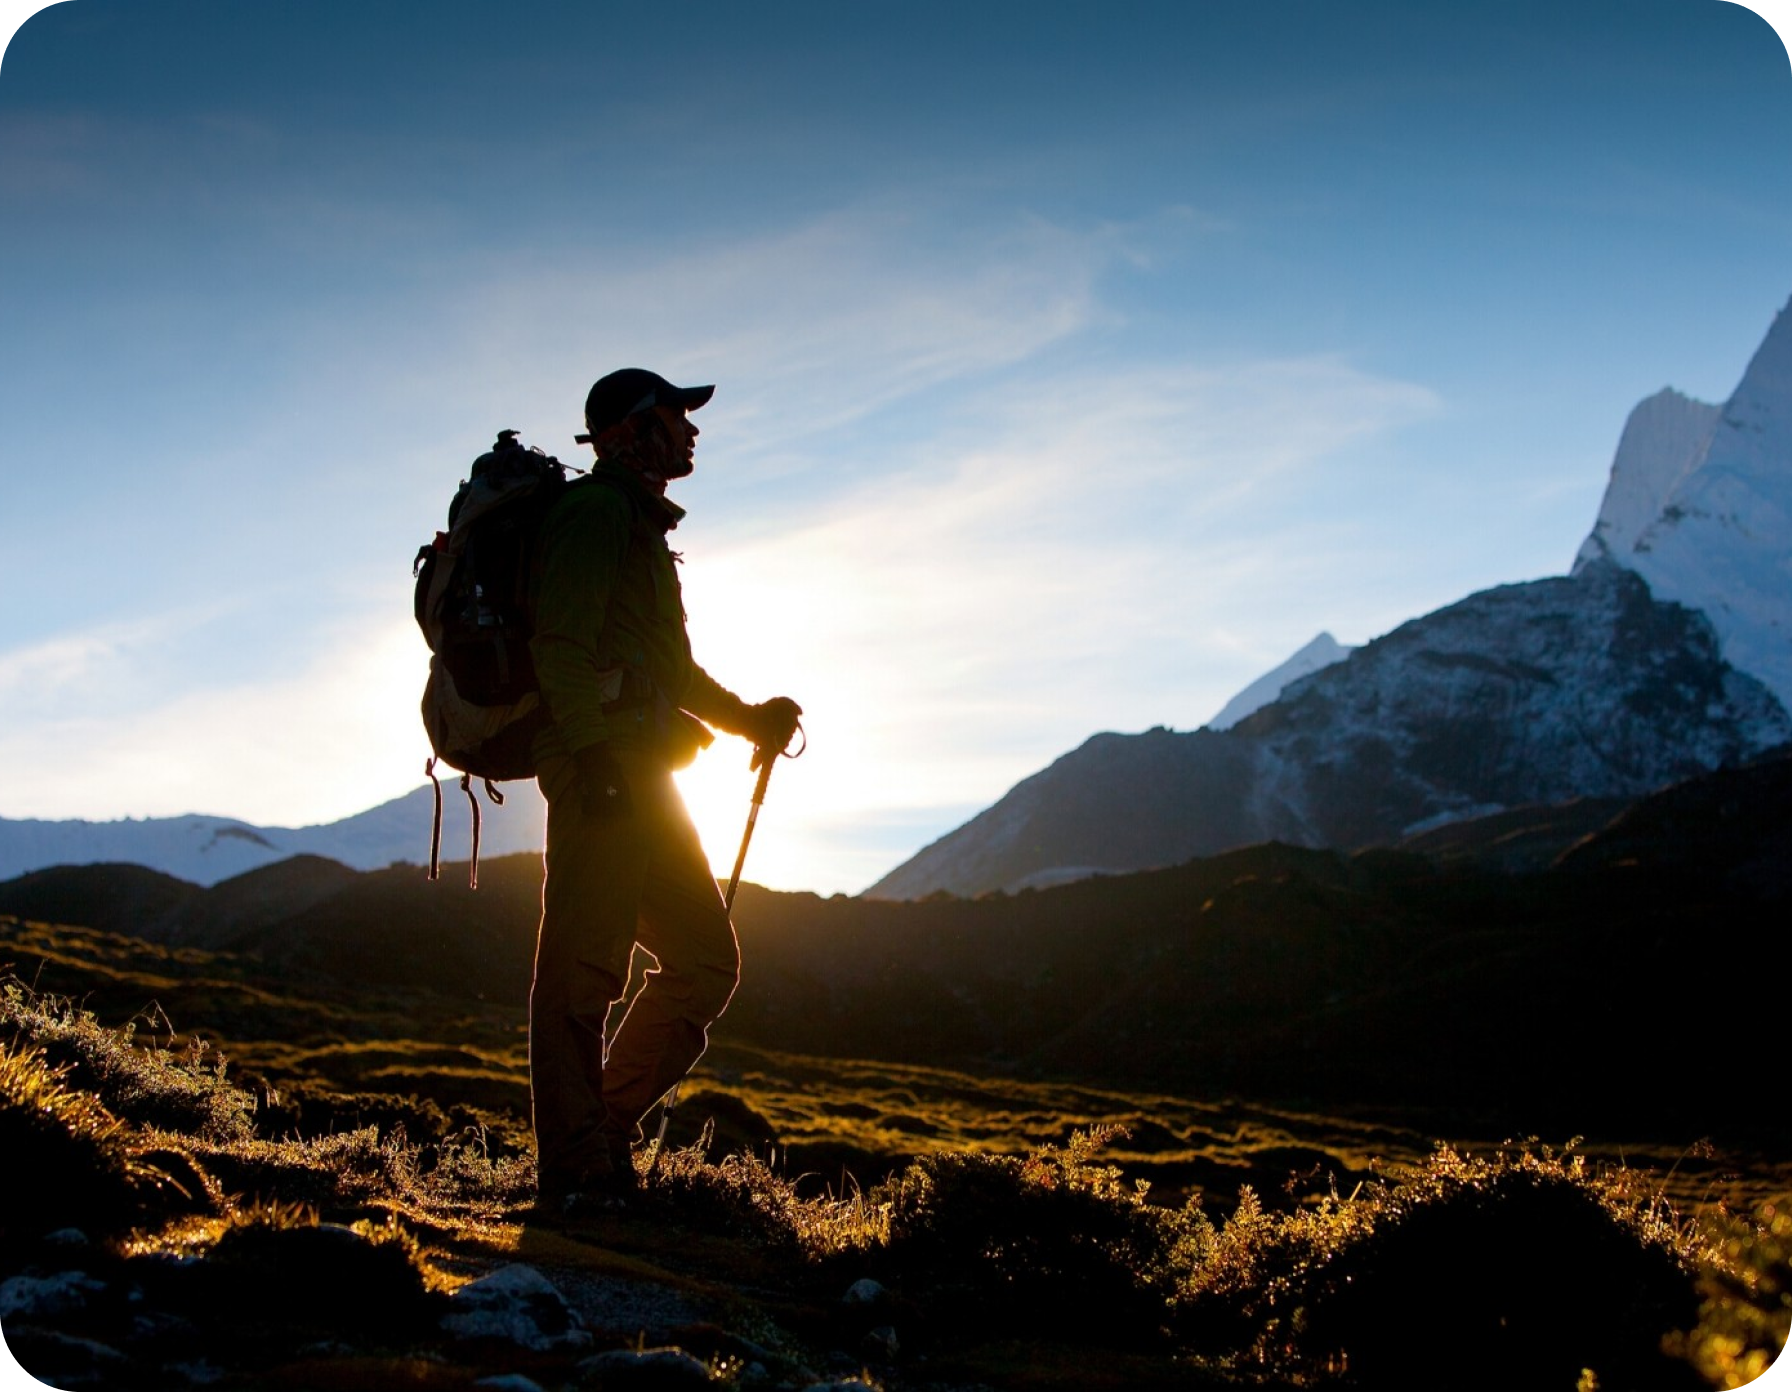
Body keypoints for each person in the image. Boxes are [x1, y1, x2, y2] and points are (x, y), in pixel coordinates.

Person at [525, 367, 801, 1217]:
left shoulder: (639, 530)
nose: (689, 430)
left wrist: (750, 719)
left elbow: (670, 671)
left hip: (643, 774)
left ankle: (600, 1137)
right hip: (604, 773)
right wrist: (596, 760)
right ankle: (576, 1172)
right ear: (628, 431)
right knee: (582, 967)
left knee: (704, 960)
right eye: (674, 416)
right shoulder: (596, 515)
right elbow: (558, 645)